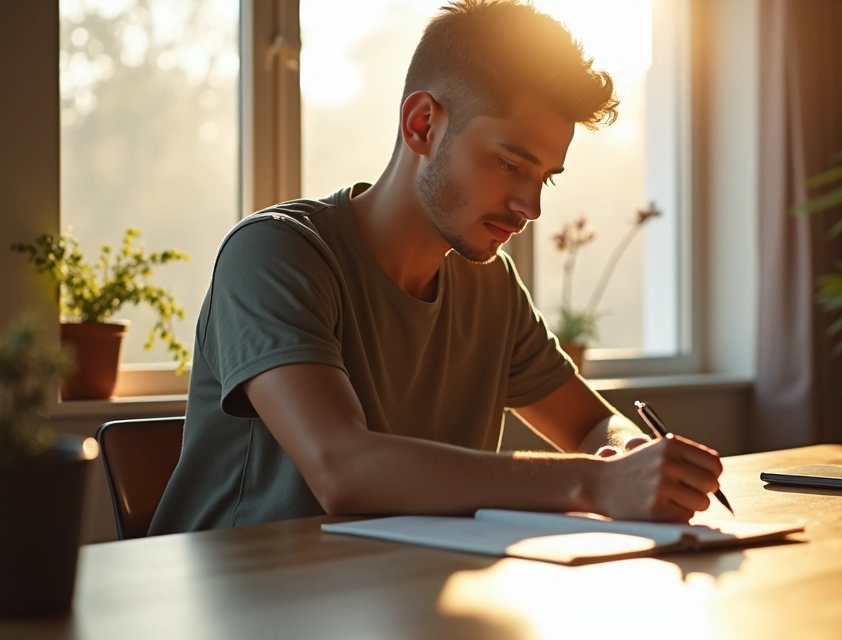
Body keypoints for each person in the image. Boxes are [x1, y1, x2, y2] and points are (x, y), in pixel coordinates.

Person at [148, 0, 722, 535]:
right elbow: (343, 470)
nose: (532, 207)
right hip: (242, 605)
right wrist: (595, 483)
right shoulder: (275, 253)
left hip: (394, 597)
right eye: (508, 163)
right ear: (422, 124)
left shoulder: (489, 284)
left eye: (544, 177)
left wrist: (630, 455)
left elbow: (592, 425)